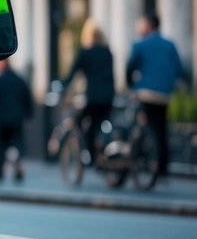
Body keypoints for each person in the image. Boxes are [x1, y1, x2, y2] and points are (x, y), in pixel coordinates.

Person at [126, 14, 188, 177]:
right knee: (160, 128)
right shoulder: (170, 45)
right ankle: (162, 167)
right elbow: (179, 68)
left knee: (142, 124)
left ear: (148, 25)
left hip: (145, 92)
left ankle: (136, 155)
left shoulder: (140, 44)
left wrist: (130, 86)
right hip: (165, 94)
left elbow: (130, 67)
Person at [59, 19, 115, 165]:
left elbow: (72, 74)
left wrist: (62, 86)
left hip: (93, 97)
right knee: (102, 124)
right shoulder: (107, 51)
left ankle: (92, 157)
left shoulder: (85, 52)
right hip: (109, 96)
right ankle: (104, 152)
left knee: (82, 124)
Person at [0, 58, 34, 183]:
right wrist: (29, 115)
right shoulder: (20, 80)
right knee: (17, 143)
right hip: (17, 119)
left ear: (0, 64)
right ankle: (16, 157)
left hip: (1, 120)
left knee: (0, 147)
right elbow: (27, 98)